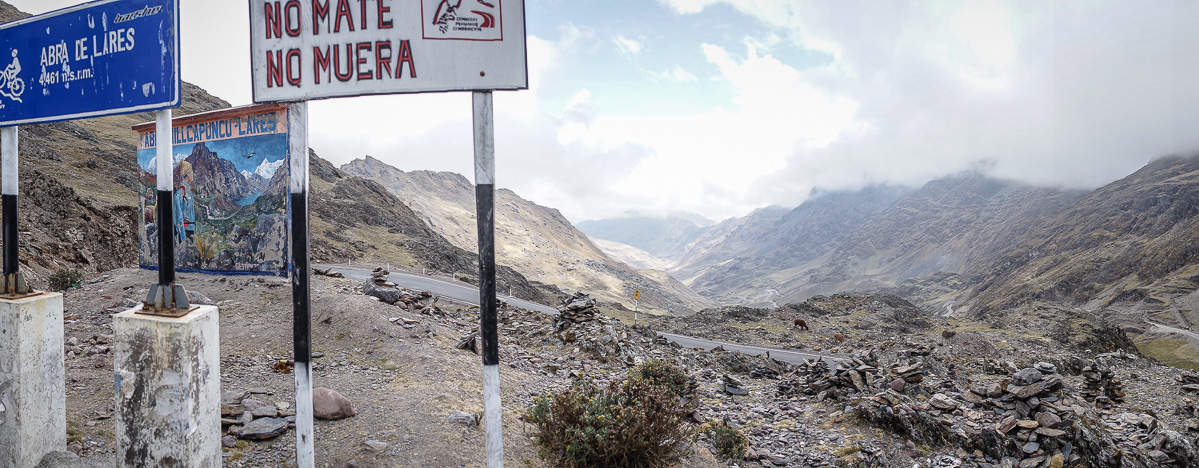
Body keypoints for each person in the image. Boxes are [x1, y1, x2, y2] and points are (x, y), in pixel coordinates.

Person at [173, 161, 196, 244]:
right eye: (191, 171)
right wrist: (183, 238)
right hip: (185, 232)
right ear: (188, 174)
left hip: (191, 229)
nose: (193, 173)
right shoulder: (180, 193)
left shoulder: (188, 191)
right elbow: (178, 216)